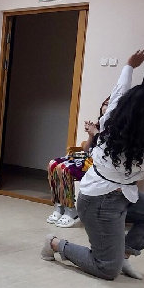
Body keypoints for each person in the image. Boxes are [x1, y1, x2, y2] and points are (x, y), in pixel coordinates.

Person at [41, 49, 144, 280]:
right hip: (98, 202)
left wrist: (129, 67)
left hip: (121, 195)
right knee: (106, 269)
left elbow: (119, 92)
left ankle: (122, 255)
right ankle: (54, 243)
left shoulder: (110, 121)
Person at [46, 97, 109, 227]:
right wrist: (91, 135)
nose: (105, 107)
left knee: (65, 168)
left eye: (109, 104)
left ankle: (71, 210)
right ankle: (59, 205)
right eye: (105, 104)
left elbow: (106, 150)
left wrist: (97, 134)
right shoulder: (98, 124)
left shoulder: (117, 127)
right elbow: (86, 149)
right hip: (87, 156)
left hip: (99, 162)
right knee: (53, 164)